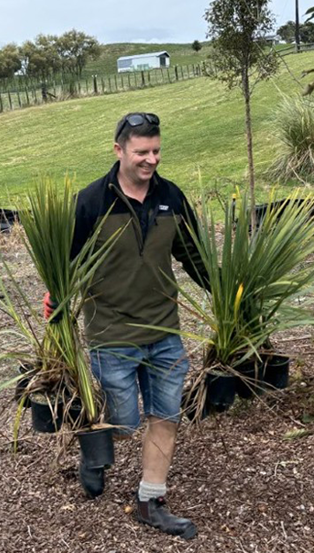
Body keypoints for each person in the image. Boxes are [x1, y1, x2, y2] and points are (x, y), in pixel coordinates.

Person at [46, 112, 207, 539]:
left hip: (164, 331)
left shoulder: (171, 196)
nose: (151, 159)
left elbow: (193, 256)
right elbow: (66, 263)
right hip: (111, 334)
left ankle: (150, 500)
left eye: (156, 150)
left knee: (166, 415)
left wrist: (227, 294)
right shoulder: (91, 201)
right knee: (123, 422)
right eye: (141, 152)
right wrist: (56, 301)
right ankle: (95, 454)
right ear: (119, 150)